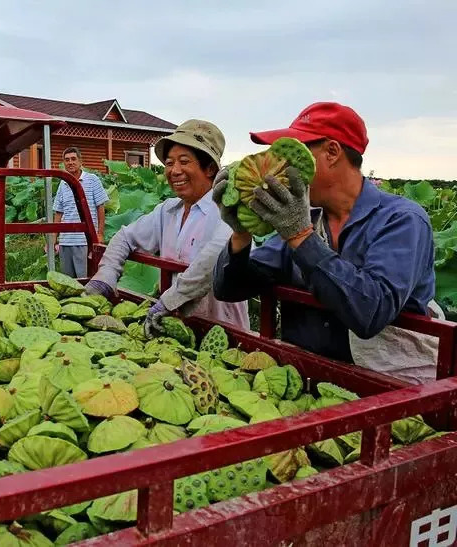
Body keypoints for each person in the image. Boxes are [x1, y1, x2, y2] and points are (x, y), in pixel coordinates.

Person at [212, 102, 438, 383]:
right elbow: (229, 289)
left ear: (332, 152)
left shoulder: (402, 221)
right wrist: (240, 235)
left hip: (391, 387)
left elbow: (371, 312)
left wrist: (301, 237)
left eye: (292, 153)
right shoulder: (305, 217)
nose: (279, 166)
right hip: (306, 380)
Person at [84, 120, 250, 336]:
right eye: (170, 163)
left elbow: (214, 258)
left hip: (221, 333)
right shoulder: (168, 211)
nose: (174, 171)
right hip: (174, 327)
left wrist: (170, 301)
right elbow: (125, 236)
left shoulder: (228, 212)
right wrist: (106, 274)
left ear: (210, 169)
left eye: (184, 162)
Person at [53, 147, 109, 278]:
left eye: (73, 159)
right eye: (67, 160)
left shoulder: (92, 179)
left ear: (80, 161)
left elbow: (100, 207)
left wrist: (100, 234)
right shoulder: (63, 183)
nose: (70, 162)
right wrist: (53, 240)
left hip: (84, 240)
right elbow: (58, 213)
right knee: (67, 282)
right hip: (65, 241)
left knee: (84, 280)